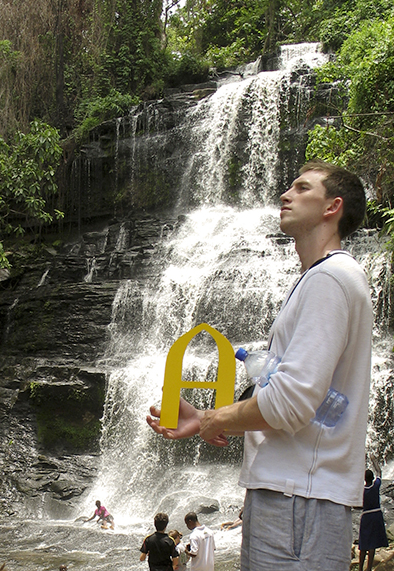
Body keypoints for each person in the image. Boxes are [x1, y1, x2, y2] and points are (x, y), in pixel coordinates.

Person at [147, 161, 373, 570]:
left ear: (332, 207)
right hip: (292, 497)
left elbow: (290, 403)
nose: (285, 195)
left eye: (302, 188)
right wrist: (203, 418)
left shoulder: (330, 279)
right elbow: (305, 403)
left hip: (298, 500)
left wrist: (216, 418)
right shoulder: (319, 279)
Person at [358, 455, 388, 571]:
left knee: (363, 543)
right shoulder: (375, 486)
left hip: (366, 515)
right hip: (376, 515)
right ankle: (369, 567)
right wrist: (374, 461)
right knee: (373, 543)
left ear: (364, 479)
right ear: (372, 478)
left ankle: (360, 568)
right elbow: (379, 473)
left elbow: (357, 505)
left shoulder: (362, 490)